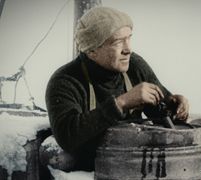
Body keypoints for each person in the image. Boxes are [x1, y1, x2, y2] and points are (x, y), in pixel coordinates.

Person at [45, 6, 189, 170]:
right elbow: (67, 137)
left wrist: (175, 105)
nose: (128, 49)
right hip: (92, 172)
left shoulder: (134, 66)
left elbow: (162, 114)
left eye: (129, 38)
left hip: (136, 166)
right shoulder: (65, 80)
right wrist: (121, 103)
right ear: (92, 50)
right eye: (118, 42)